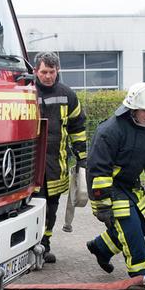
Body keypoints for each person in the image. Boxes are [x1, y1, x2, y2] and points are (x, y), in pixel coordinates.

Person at [85, 82, 145, 277]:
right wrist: (102, 205)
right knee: (130, 229)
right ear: (132, 108)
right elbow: (98, 169)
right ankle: (141, 274)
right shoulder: (111, 130)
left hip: (130, 185)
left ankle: (101, 247)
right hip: (109, 185)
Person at [31, 52, 87, 263]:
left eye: (51, 72)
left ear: (57, 71)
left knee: (51, 208)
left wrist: (82, 158)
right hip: (29, 166)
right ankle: (29, 248)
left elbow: (77, 128)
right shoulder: (26, 92)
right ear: (36, 71)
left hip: (56, 164)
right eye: (44, 72)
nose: (47, 76)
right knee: (32, 207)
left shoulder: (67, 95)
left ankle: (44, 247)